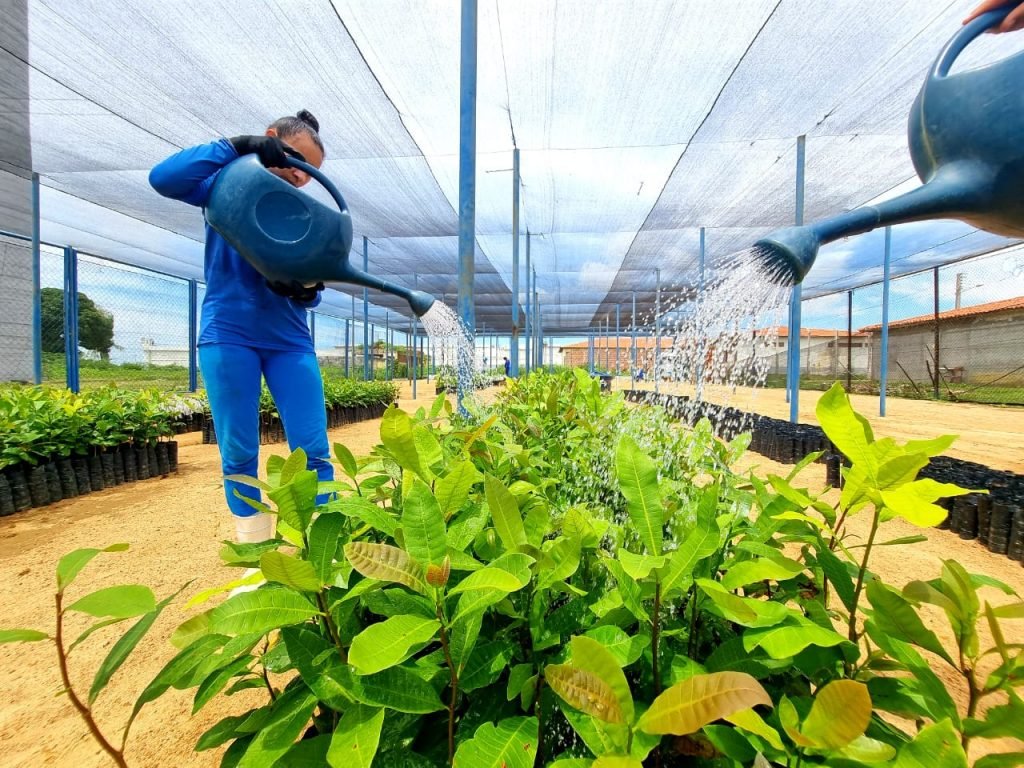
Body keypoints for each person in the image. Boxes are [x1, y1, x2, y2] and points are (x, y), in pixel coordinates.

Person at [149, 110, 333, 544]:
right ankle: (255, 553)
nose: (299, 175)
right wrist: (237, 145)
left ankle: (329, 550)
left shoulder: (303, 213)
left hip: (290, 340)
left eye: (308, 172)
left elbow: (315, 278)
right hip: (229, 334)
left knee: (313, 448)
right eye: (294, 159)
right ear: (272, 140)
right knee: (238, 452)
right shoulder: (225, 185)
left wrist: (309, 292)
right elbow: (164, 178)